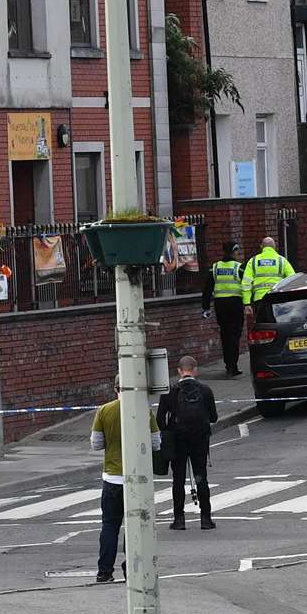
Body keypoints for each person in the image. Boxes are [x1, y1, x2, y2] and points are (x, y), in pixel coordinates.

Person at [90, 394, 160, 583]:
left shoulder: (104, 410)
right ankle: (132, 568)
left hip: (112, 478)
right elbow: (155, 444)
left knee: (110, 526)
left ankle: (104, 572)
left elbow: (96, 444)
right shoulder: (145, 411)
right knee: (134, 526)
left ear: (115, 389)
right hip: (137, 479)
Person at [156, 355, 218, 531]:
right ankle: (206, 519)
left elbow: (160, 418)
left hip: (178, 441)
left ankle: (179, 519)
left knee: (178, 480)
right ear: (195, 370)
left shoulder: (170, 391)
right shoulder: (205, 390)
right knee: (201, 478)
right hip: (199, 440)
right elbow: (214, 417)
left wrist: (169, 430)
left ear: (179, 371)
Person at [202, 241, 246, 376]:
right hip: (236, 304)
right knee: (235, 335)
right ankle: (233, 365)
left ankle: (228, 364)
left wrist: (205, 307)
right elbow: (246, 286)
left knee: (225, 334)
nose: (238, 253)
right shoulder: (239, 268)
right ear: (234, 251)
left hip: (220, 305)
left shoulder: (215, 268)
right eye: (237, 250)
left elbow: (207, 289)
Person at [242, 236, 296, 323]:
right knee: (279, 325)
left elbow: (246, 284)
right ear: (274, 247)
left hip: (260, 300)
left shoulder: (253, 261)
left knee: (263, 328)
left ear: (261, 246)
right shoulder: (282, 260)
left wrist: (247, 303)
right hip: (278, 298)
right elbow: (292, 279)